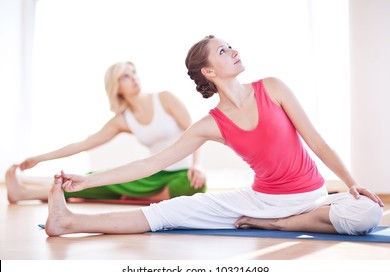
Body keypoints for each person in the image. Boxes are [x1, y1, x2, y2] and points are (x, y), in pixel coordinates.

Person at [44, 35, 384, 237]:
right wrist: (87, 182)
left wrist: (351, 182)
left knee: (367, 211)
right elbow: (152, 163)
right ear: (209, 71)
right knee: (169, 213)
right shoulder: (212, 123)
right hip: (260, 201)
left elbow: (317, 142)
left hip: (313, 196)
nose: (234, 51)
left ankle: (279, 225)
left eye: (231, 47)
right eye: (223, 51)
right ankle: (69, 221)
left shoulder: (273, 88)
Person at [5, 61, 206, 204]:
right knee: (91, 178)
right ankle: (23, 193)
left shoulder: (165, 98)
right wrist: (39, 158)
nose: (134, 78)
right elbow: (83, 145)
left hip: (184, 173)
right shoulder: (123, 120)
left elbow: (196, 131)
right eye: (125, 76)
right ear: (116, 87)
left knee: (193, 186)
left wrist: (197, 165)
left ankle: (138, 197)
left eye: (134, 72)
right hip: (152, 174)